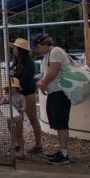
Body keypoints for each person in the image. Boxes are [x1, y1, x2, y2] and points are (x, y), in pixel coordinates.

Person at [32, 34, 72, 165]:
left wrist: (42, 83)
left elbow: (53, 72)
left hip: (61, 92)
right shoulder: (46, 57)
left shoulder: (55, 52)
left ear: (44, 44)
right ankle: (61, 151)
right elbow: (45, 74)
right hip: (53, 92)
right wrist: (43, 84)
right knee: (57, 123)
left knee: (61, 123)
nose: (37, 50)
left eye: (38, 47)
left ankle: (64, 154)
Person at [9, 38, 42, 154]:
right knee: (18, 120)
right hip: (17, 95)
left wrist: (16, 86)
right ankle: (18, 143)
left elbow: (26, 78)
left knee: (33, 118)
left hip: (28, 93)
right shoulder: (15, 64)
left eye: (16, 49)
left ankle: (38, 144)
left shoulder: (29, 64)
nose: (14, 51)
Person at [1, 77, 27, 159]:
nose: (11, 89)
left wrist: (20, 110)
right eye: (10, 87)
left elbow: (25, 107)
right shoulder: (6, 97)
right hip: (9, 116)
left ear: (17, 88)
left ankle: (23, 151)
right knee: (12, 133)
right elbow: (2, 104)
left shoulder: (21, 97)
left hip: (18, 117)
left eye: (13, 87)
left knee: (20, 134)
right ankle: (13, 148)